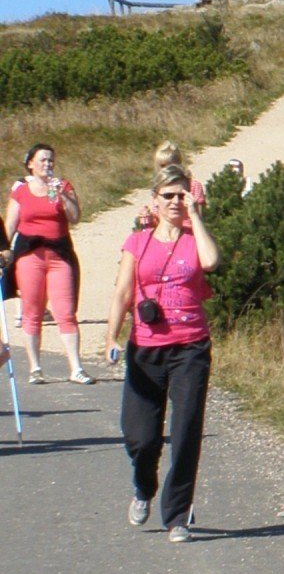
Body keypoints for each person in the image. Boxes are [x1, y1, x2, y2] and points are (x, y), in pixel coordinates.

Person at [104, 164, 218, 541]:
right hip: (145, 347)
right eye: (167, 196)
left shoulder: (193, 235)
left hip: (190, 346)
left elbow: (211, 262)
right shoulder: (137, 242)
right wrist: (111, 336)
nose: (174, 202)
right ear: (153, 202)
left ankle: (177, 515)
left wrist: (195, 216)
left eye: (181, 195)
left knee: (186, 430)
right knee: (140, 436)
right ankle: (143, 487)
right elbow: (122, 291)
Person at [5, 144, 90, 384]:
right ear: (30, 163)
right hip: (30, 256)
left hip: (58, 253)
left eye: (51, 160)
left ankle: (76, 367)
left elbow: (75, 217)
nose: (47, 164)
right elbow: (10, 226)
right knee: (32, 311)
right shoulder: (21, 191)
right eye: (42, 160)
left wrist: (63, 196)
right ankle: (35, 368)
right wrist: (3, 251)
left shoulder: (63, 186)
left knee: (65, 311)